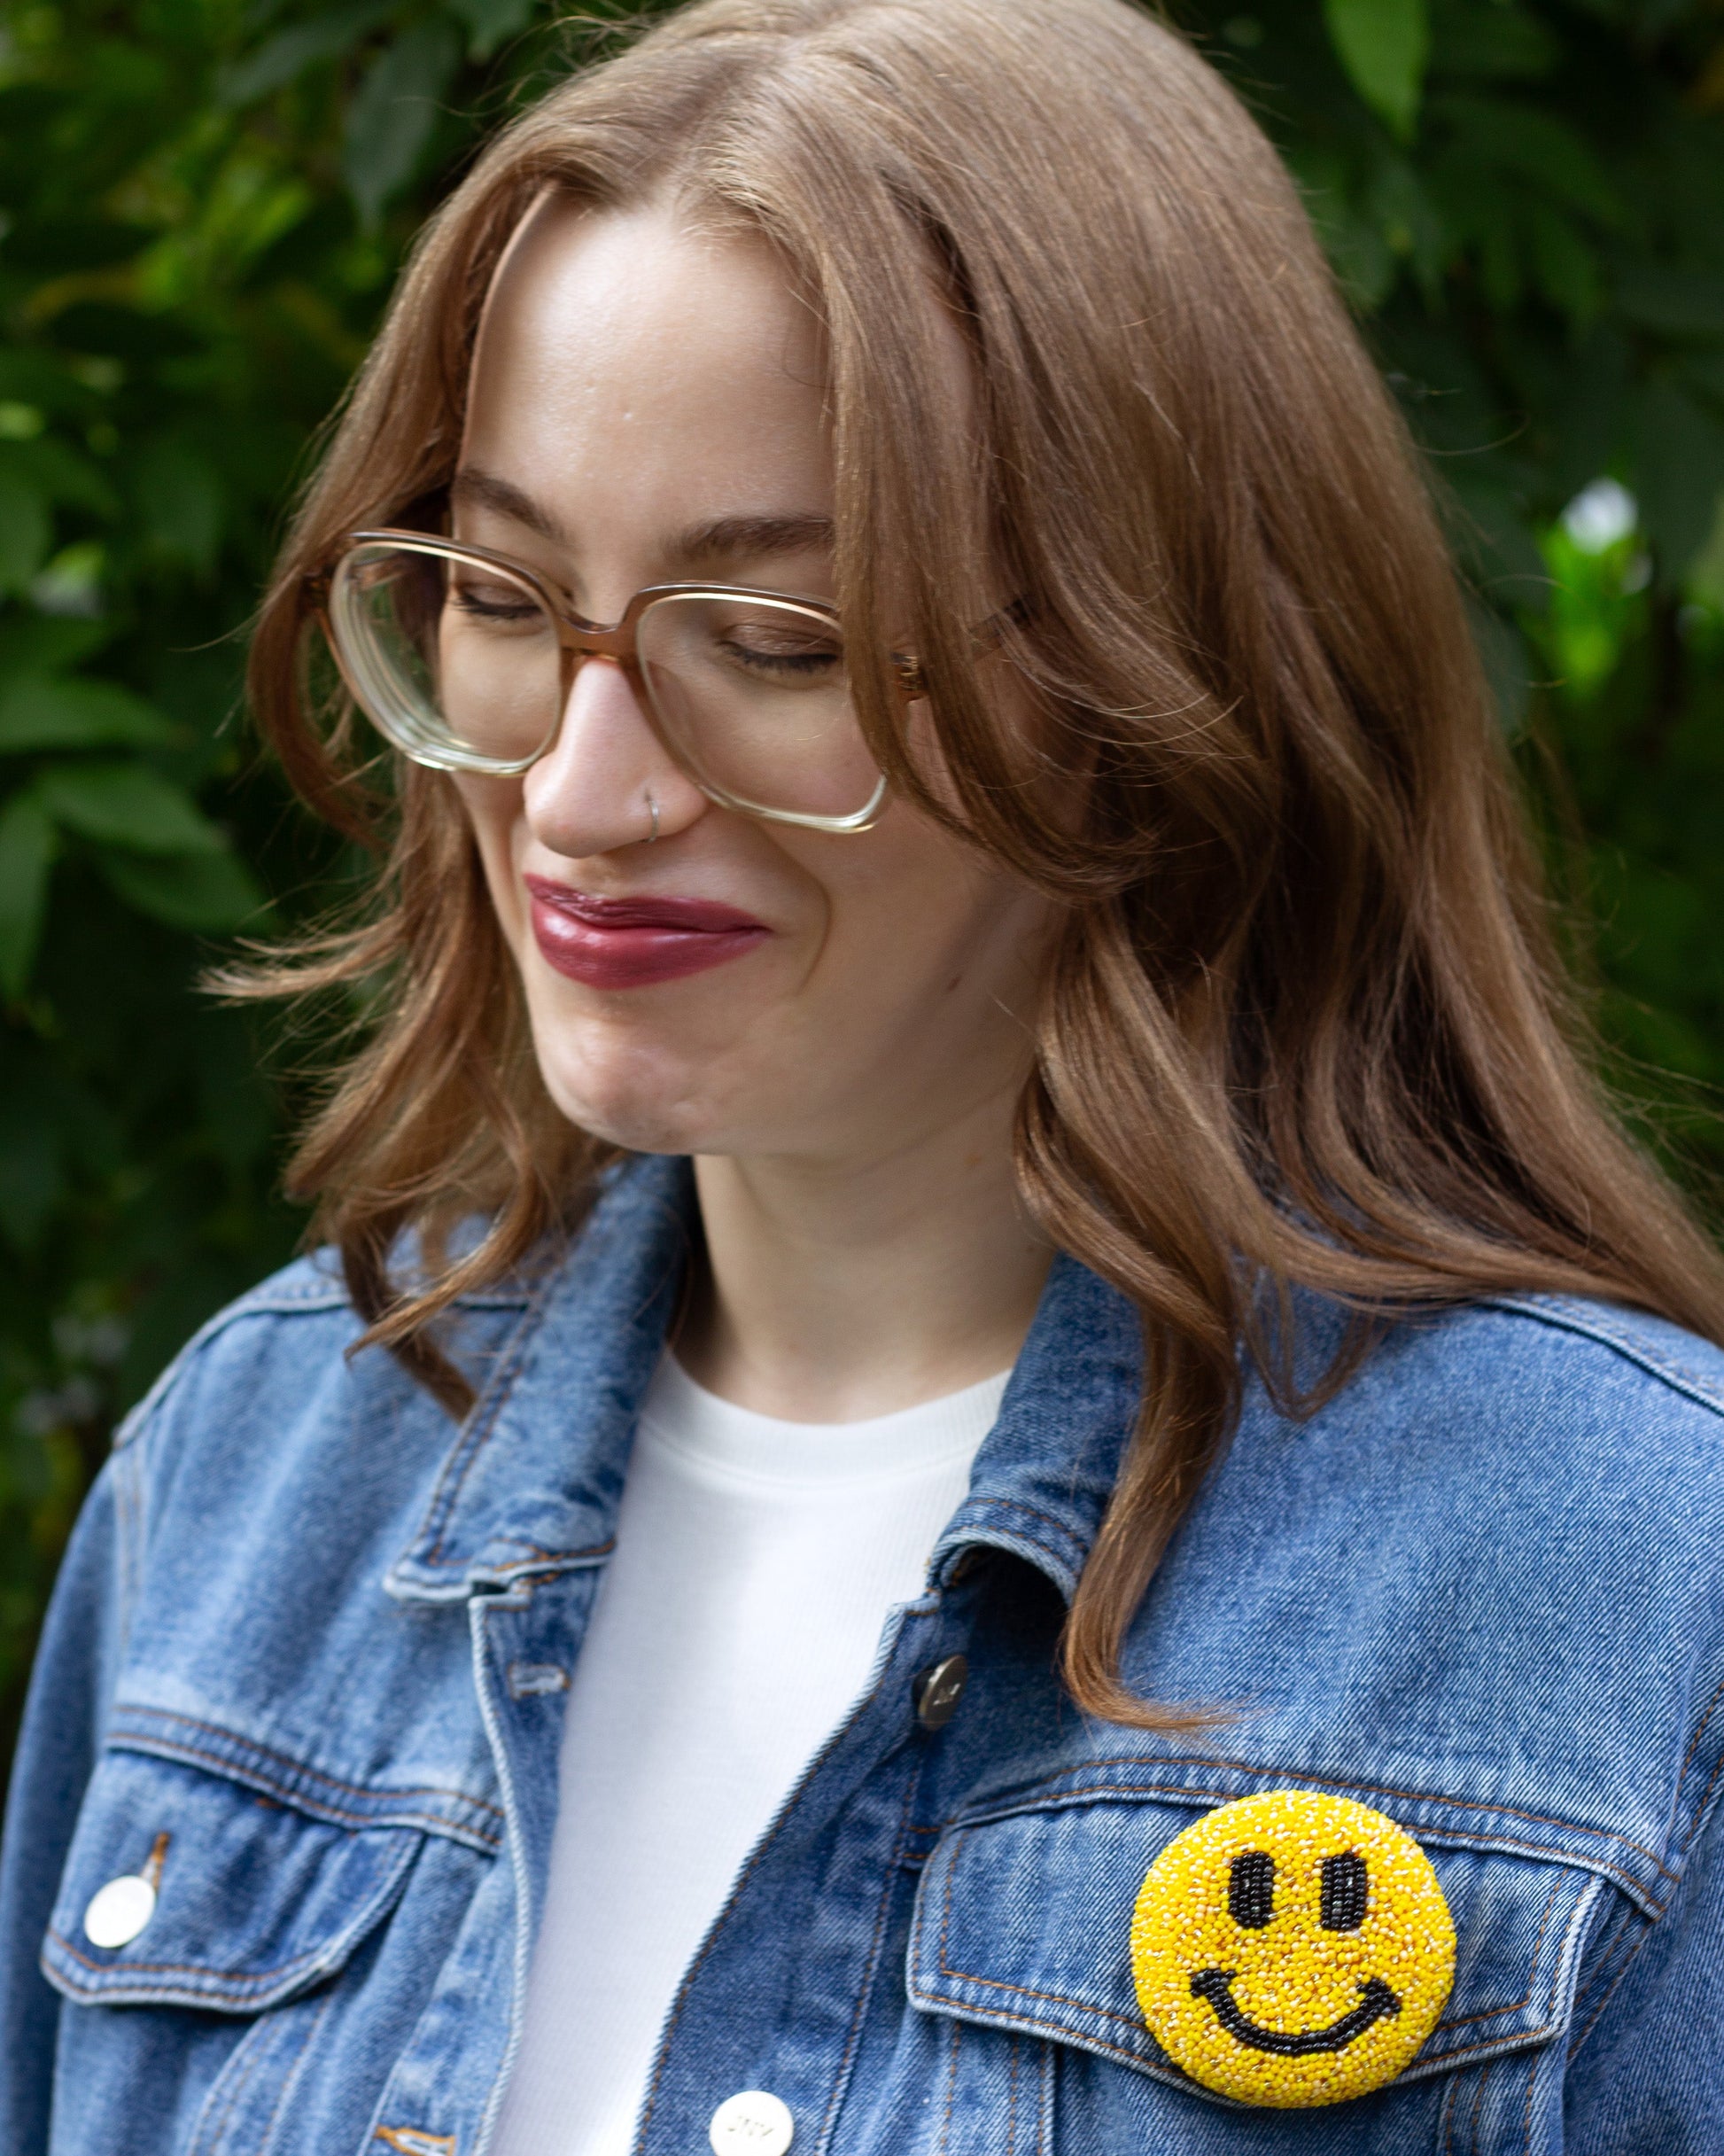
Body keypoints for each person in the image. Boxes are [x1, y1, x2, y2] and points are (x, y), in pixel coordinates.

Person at [4, 0, 1724, 2147]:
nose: (581, 789)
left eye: (782, 643)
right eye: (505, 597)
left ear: (1154, 674)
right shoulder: (248, 1485)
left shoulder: (1634, 1596)